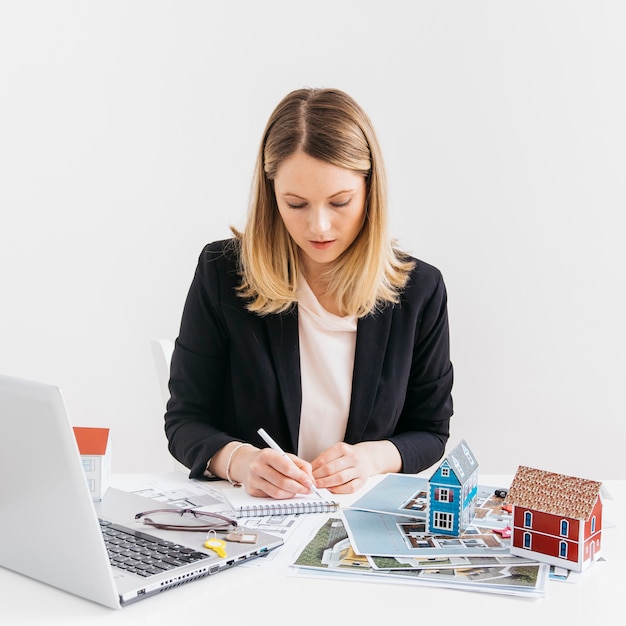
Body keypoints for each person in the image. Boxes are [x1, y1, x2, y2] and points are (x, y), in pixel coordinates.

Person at [164, 87, 453, 499]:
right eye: (296, 204)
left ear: (370, 191)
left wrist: (371, 459)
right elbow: (184, 420)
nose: (319, 227)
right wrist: (240, 462)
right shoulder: (222, 272)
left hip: (354, 520)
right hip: (248, 518)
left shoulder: (420, 290)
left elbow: (430, 432)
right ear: (271, 195)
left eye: (339, 202)